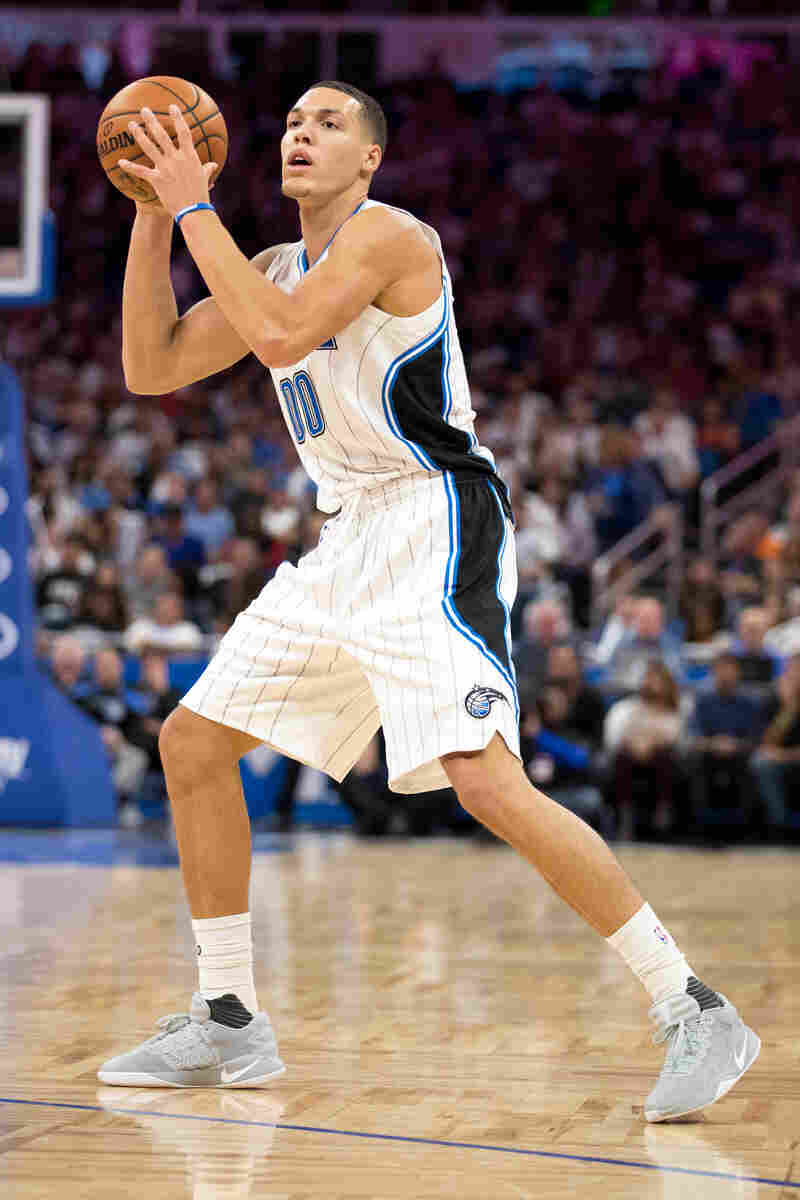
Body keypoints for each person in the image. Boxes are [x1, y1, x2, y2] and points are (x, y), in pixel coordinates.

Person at [99, 81, 759, 1120]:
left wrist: (192, 209)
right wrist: (148, 217)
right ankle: (226, 1016)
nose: (300, 135)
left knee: (481, 779)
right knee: (190, 744)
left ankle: (691, 1005)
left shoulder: (390, 237)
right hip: (348, 531)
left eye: (327, 124)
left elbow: (277, 338)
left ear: (369, 158)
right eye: (290, 125)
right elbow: (152, 365)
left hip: (434, 516)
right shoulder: (271, 264)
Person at [603, 661, 684, 840]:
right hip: (631, 756)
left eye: (657, 679)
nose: (652, 684)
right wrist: (637, 743)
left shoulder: (676, 710)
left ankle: (663, 813)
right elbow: (615, 736)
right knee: (622, 757)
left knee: (665, 756)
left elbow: (674, 735)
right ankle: (625, 816)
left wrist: (651, 743)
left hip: (660, 758)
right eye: (648, 678)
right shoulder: (627, 708)